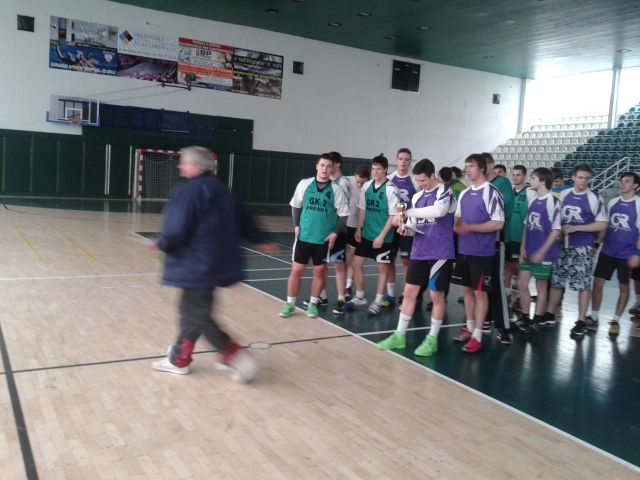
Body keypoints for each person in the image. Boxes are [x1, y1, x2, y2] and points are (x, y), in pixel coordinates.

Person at [150, 146, 276, 382]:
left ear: (197, 166)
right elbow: (244, 219)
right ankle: (179, 358)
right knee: (191, 311)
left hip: (197, 266)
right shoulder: (222, 190)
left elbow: (176, 228)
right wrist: (260, 239)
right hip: (213, 265)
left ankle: (234, 356)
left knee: (197, 313)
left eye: (184, 162)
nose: (180, 166)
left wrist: (162, 242)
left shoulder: (189, 191)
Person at [376, 158, 456, 356]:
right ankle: (399, 335)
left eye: (423, 180)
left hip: (440, 252)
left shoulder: (445, 191)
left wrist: (407, 212)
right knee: (409, 292)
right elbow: (413, 224)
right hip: (419, 251)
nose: (421, 184)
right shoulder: (418, 196)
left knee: (436, 295)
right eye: (418, 181)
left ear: (432, 175)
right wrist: (406, 228)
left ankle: (432, 339)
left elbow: (439, 211)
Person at [279, 153, 349, 318]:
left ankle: (313, 303)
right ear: (317, 166)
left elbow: (344, 215)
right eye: (322, 165)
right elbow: (296, 206)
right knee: (296, 270)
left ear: (332, 168)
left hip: (322, 239)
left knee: (319, 272)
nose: (325, 169)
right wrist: (296, 226)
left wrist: (335, 233)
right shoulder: (304, 184)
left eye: (328, 166)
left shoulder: (336, 190)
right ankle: (290, 304)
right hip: (304, 236)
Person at [543, 164, 607, 338]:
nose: (583, 181)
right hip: (563, 244)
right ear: (573, 177)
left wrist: (577, 228)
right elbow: (555, 217)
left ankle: (580, 321)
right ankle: (550, 313)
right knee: (557, 280)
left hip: (583, 246)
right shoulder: (564, 194)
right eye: (580, 177)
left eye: (587, 178)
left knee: (583, 284)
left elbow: (602, 224)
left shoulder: (594, 197)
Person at [451, 153, 505, 353]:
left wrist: (471, 227)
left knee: (480, 293)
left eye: (471, 166)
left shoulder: (491, 192)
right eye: (466, 166)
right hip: (464, 250)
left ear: (482, 168)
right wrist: (456, 225)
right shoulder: (464, 194)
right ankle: (469, 327)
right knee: (466, 291)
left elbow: (498, 223)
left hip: (482, 253)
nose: (467, 170)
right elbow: (458, 219)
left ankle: (478, 335)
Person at [588, 172, 640, 337]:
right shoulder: (612, 202)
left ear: (636, 186)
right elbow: (605, 226)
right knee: (597, 283)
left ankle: (616, 321)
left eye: (627, 181)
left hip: (627, 254)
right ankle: (594, 317)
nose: (623, 184)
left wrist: (637, 254)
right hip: (608, 251)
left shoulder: (639, 204)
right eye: (622, 181)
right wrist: (598, 244)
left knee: (623, 287)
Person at [514, 167, 561, 334]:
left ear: (543, 181)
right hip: (529, 251)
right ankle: (525, 317)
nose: (530, 181)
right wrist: (522, 247)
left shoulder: (553, 202)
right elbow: (527, 225)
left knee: (541, 286)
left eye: (533, 178)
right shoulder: (534, 200)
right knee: (521, 284)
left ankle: (538, 319)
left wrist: (542, 252)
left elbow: (556, 230)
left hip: (544, 254)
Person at [352, 154, 400, 315]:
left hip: (383, 237)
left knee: (382, 269)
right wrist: (359, 228)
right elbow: (363, 209)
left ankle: (378, 302)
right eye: (373, 169)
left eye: (378, 169)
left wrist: (381, 236)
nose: (375, 172)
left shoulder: (391, 189)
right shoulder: (366, 186)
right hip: (366, 234)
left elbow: (393, 216)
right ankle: (360, 296)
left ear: (385, 169)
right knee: (356, 263)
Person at [483, 152, 514, 344]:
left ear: (490, 165)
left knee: (496, 281)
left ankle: (503, 326)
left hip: (496, 238)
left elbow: (505, 210)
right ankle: (484, 319)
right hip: (479, 241)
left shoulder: (502, 183)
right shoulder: (479, 186)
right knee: (481, 282)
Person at [385, 148, 419, 307]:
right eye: (401, 159)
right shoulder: (388, 179)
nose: (403, 162)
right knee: (388, 261)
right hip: (391, 226)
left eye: (406, 159)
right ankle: (390, 295)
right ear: (396, 160)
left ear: (410, 161)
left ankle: (407, 294)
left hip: (408, 226)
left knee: (407, 261)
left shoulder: (415, 181)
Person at [506, 165, 535, 308]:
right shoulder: (508, 192)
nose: (515, 177)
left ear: (524, 176)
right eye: (514, 175)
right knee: (507, 266)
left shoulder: (530, 193)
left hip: (520, 236)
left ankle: (519, 295)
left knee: (518, 267)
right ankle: (506, 294)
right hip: (507, 235)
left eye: (518, 175)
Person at [345, 166, 371, 301]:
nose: (360, 184)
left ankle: (348, 286)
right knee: (338, 260)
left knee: (352, 257)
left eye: (363, 182)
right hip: (342, 225)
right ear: (354, 175)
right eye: (358, 181)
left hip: (357, 227)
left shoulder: (369, 187)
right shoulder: (346, 181)